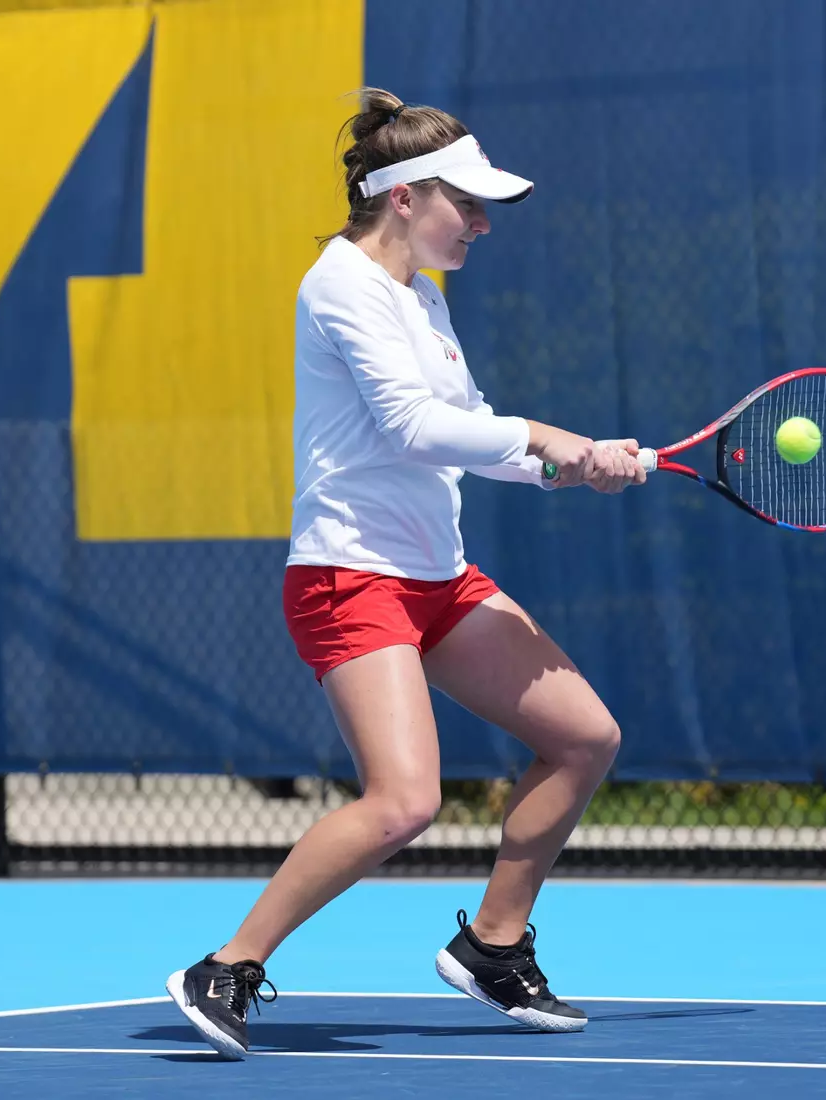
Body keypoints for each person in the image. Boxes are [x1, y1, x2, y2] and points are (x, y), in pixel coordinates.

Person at [166, 87, 645, 1060]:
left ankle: (491, 944)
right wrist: (550, 435)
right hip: (350, 574)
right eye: (462, 204)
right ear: (400, 196)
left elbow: (468, 427)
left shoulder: (421, 295)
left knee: (583, 736)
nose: (476, 223)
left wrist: (573, 460)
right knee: (402, 801)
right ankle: (226, 965)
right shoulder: (337, 284)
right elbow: (412, 428)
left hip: (436, 575)